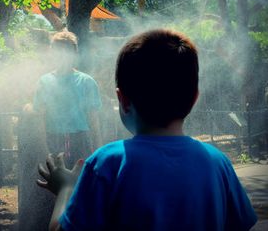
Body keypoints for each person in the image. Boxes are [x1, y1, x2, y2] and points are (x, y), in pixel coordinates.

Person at [37, 29, 257, 231]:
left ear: (122, 100)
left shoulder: (106, 164)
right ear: (194, 99)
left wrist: (66, 189)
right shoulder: (218, 163)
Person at [33, 31, 102, 168]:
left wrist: (99, 151)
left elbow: (93, 120)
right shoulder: (44, 82)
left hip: (81, 140)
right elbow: (39, 118)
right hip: (53, 140)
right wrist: (44, 150)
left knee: (81, 183)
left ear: (74, 53)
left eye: (67, 50)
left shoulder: (86, 82)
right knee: (56, 186)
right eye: (59, 50)